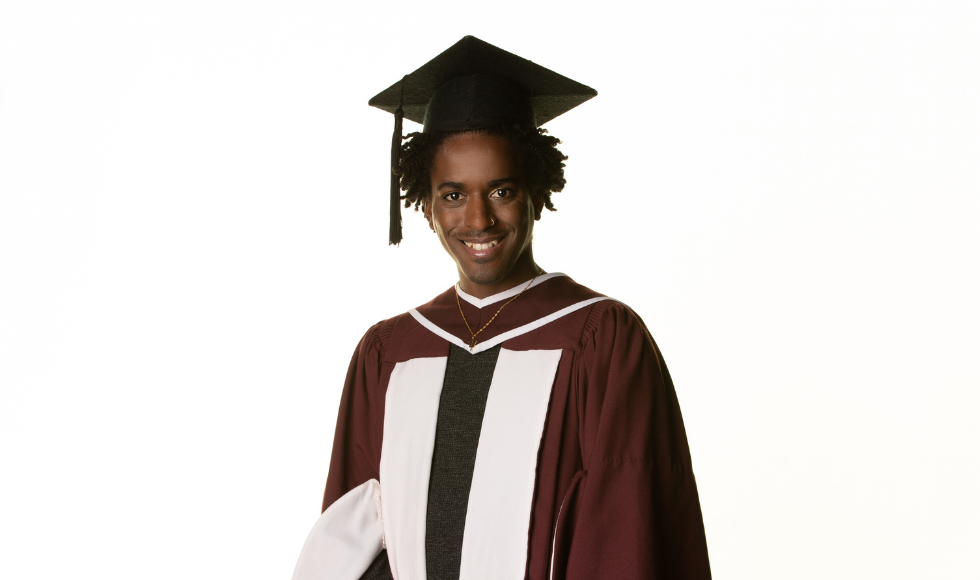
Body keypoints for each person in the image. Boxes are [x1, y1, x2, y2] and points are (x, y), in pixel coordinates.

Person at [292, 36, 711, 580]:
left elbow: (625, 533)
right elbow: (353, 545)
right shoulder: (389, 353)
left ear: (537, 191)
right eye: (452, 194)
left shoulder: (601, 340)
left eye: (502, 190)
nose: (478, 220)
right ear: (425, 206)